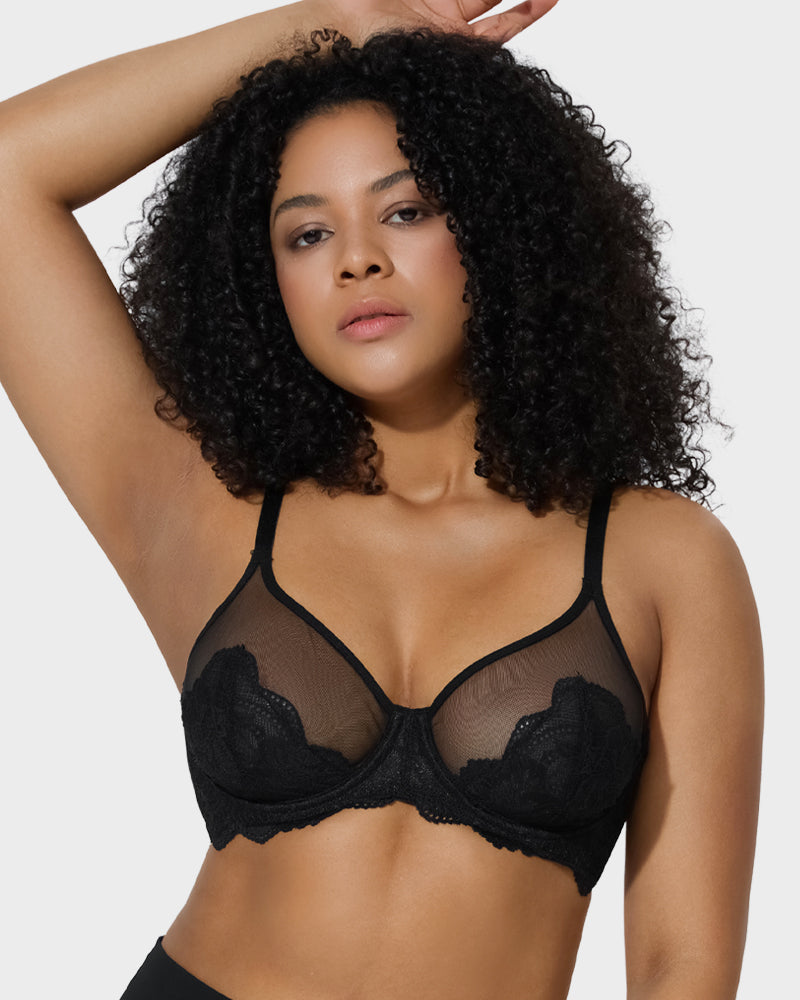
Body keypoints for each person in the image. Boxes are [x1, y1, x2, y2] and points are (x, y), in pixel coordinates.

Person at [0, 0, 763, 997]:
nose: (356, 259)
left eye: (405, 211)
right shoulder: (205, 507)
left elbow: (681, 965)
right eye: (307, 233)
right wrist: (338, 17)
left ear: (493, 222)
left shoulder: (662, 559)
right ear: (265, 280)